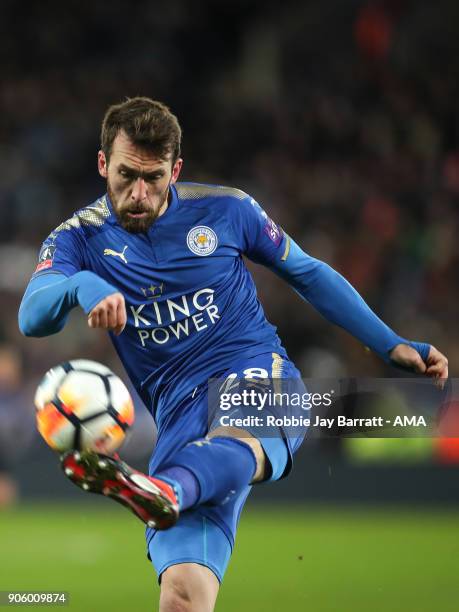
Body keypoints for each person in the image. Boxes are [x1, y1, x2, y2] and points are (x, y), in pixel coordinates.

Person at [18, 97, 448, 612]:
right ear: (102, 164)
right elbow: (32, 316)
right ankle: (168, 489)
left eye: (153, 178)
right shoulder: (77, 239)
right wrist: (81, 286)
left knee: (237, 433)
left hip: (255, 369)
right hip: (179, 414)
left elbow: (308, 273)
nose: (139, 193)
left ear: (175, 170)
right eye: (126, 175)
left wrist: (390, 342)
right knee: (182, 594)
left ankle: (169, 492)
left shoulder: (228, 209)